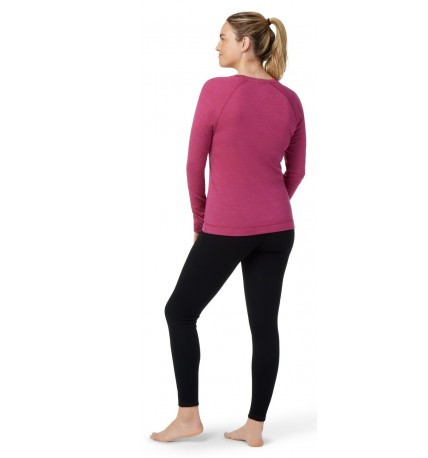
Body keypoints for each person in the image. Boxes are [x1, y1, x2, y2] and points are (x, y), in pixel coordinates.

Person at [151, 11, 306, 447]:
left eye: (223, 38)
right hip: (278, 229)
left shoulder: (216, 90)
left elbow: (193, 164)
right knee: (264, 325)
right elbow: (296, 171)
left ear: (245, 44)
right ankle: (254, 428)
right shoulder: (290, 99)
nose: (217, 46)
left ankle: (188, 417)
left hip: (227, 227)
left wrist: (201, 221)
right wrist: (269, 208)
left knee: (180, 312)